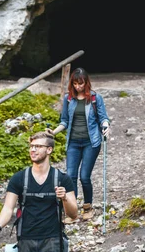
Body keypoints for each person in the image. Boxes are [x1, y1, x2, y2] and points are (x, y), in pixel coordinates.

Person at [47, 67, 111, 224]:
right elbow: (64, 121)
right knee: (70, 177)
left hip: (91, 142)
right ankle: (72, 211)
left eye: (80, 84)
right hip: (73, 143)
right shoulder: (69, 99)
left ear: (86, 83)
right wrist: (53, 132)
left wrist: (106, 126)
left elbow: (103, 118)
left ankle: (88, 207)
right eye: (75, 84)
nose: (78, 87)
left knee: (84, 176)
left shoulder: (96, 98)